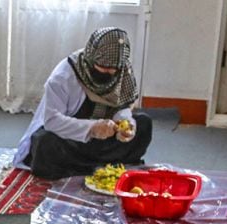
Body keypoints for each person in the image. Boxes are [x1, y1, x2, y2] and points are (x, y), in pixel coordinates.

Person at [13, 27, 152, 179]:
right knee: (45, 142)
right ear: (91, 59)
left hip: (105, 137)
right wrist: (92, 128)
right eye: (103, 67)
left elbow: (122, 106)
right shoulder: (64, 77)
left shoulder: (123, 71)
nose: (108, 73)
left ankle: (95, 166)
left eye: (113, 69)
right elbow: (52, 121)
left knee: (144, 124)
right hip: (71, 139)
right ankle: (96, 166)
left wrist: (125, 123)